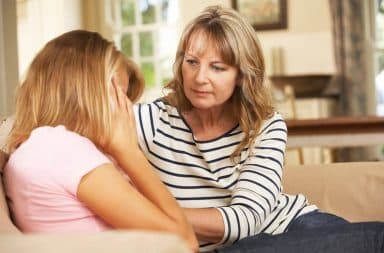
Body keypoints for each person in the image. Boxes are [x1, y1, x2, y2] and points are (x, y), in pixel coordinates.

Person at [134, 5, 384, 252]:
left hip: (292, 227)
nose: (200, 77)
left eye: (218, 67)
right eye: (192, 62)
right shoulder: (154, 120)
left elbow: (244, 221)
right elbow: (96, 122)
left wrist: (150, 215)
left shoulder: (265, 126)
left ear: (241, 75)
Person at [3, 30, 198, 252]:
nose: (126, 108)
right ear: (86, 92)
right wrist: (129, 153)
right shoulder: (63, 147)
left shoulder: (36, 145)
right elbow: (185, 243)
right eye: (120, 95)